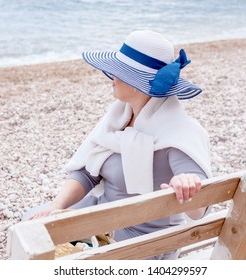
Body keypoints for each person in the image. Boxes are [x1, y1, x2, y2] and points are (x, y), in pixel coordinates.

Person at [25, 30, 212, 259]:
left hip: (145, 242)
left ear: (136, 83)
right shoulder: (118, 117)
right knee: (32, 225)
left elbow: (200, 208)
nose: (112, 77)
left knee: (47, 250)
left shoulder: (178, 131)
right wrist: (55, 206)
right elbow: (88, 172)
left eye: (118, 72)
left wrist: (187, 186)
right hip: (103, 218)